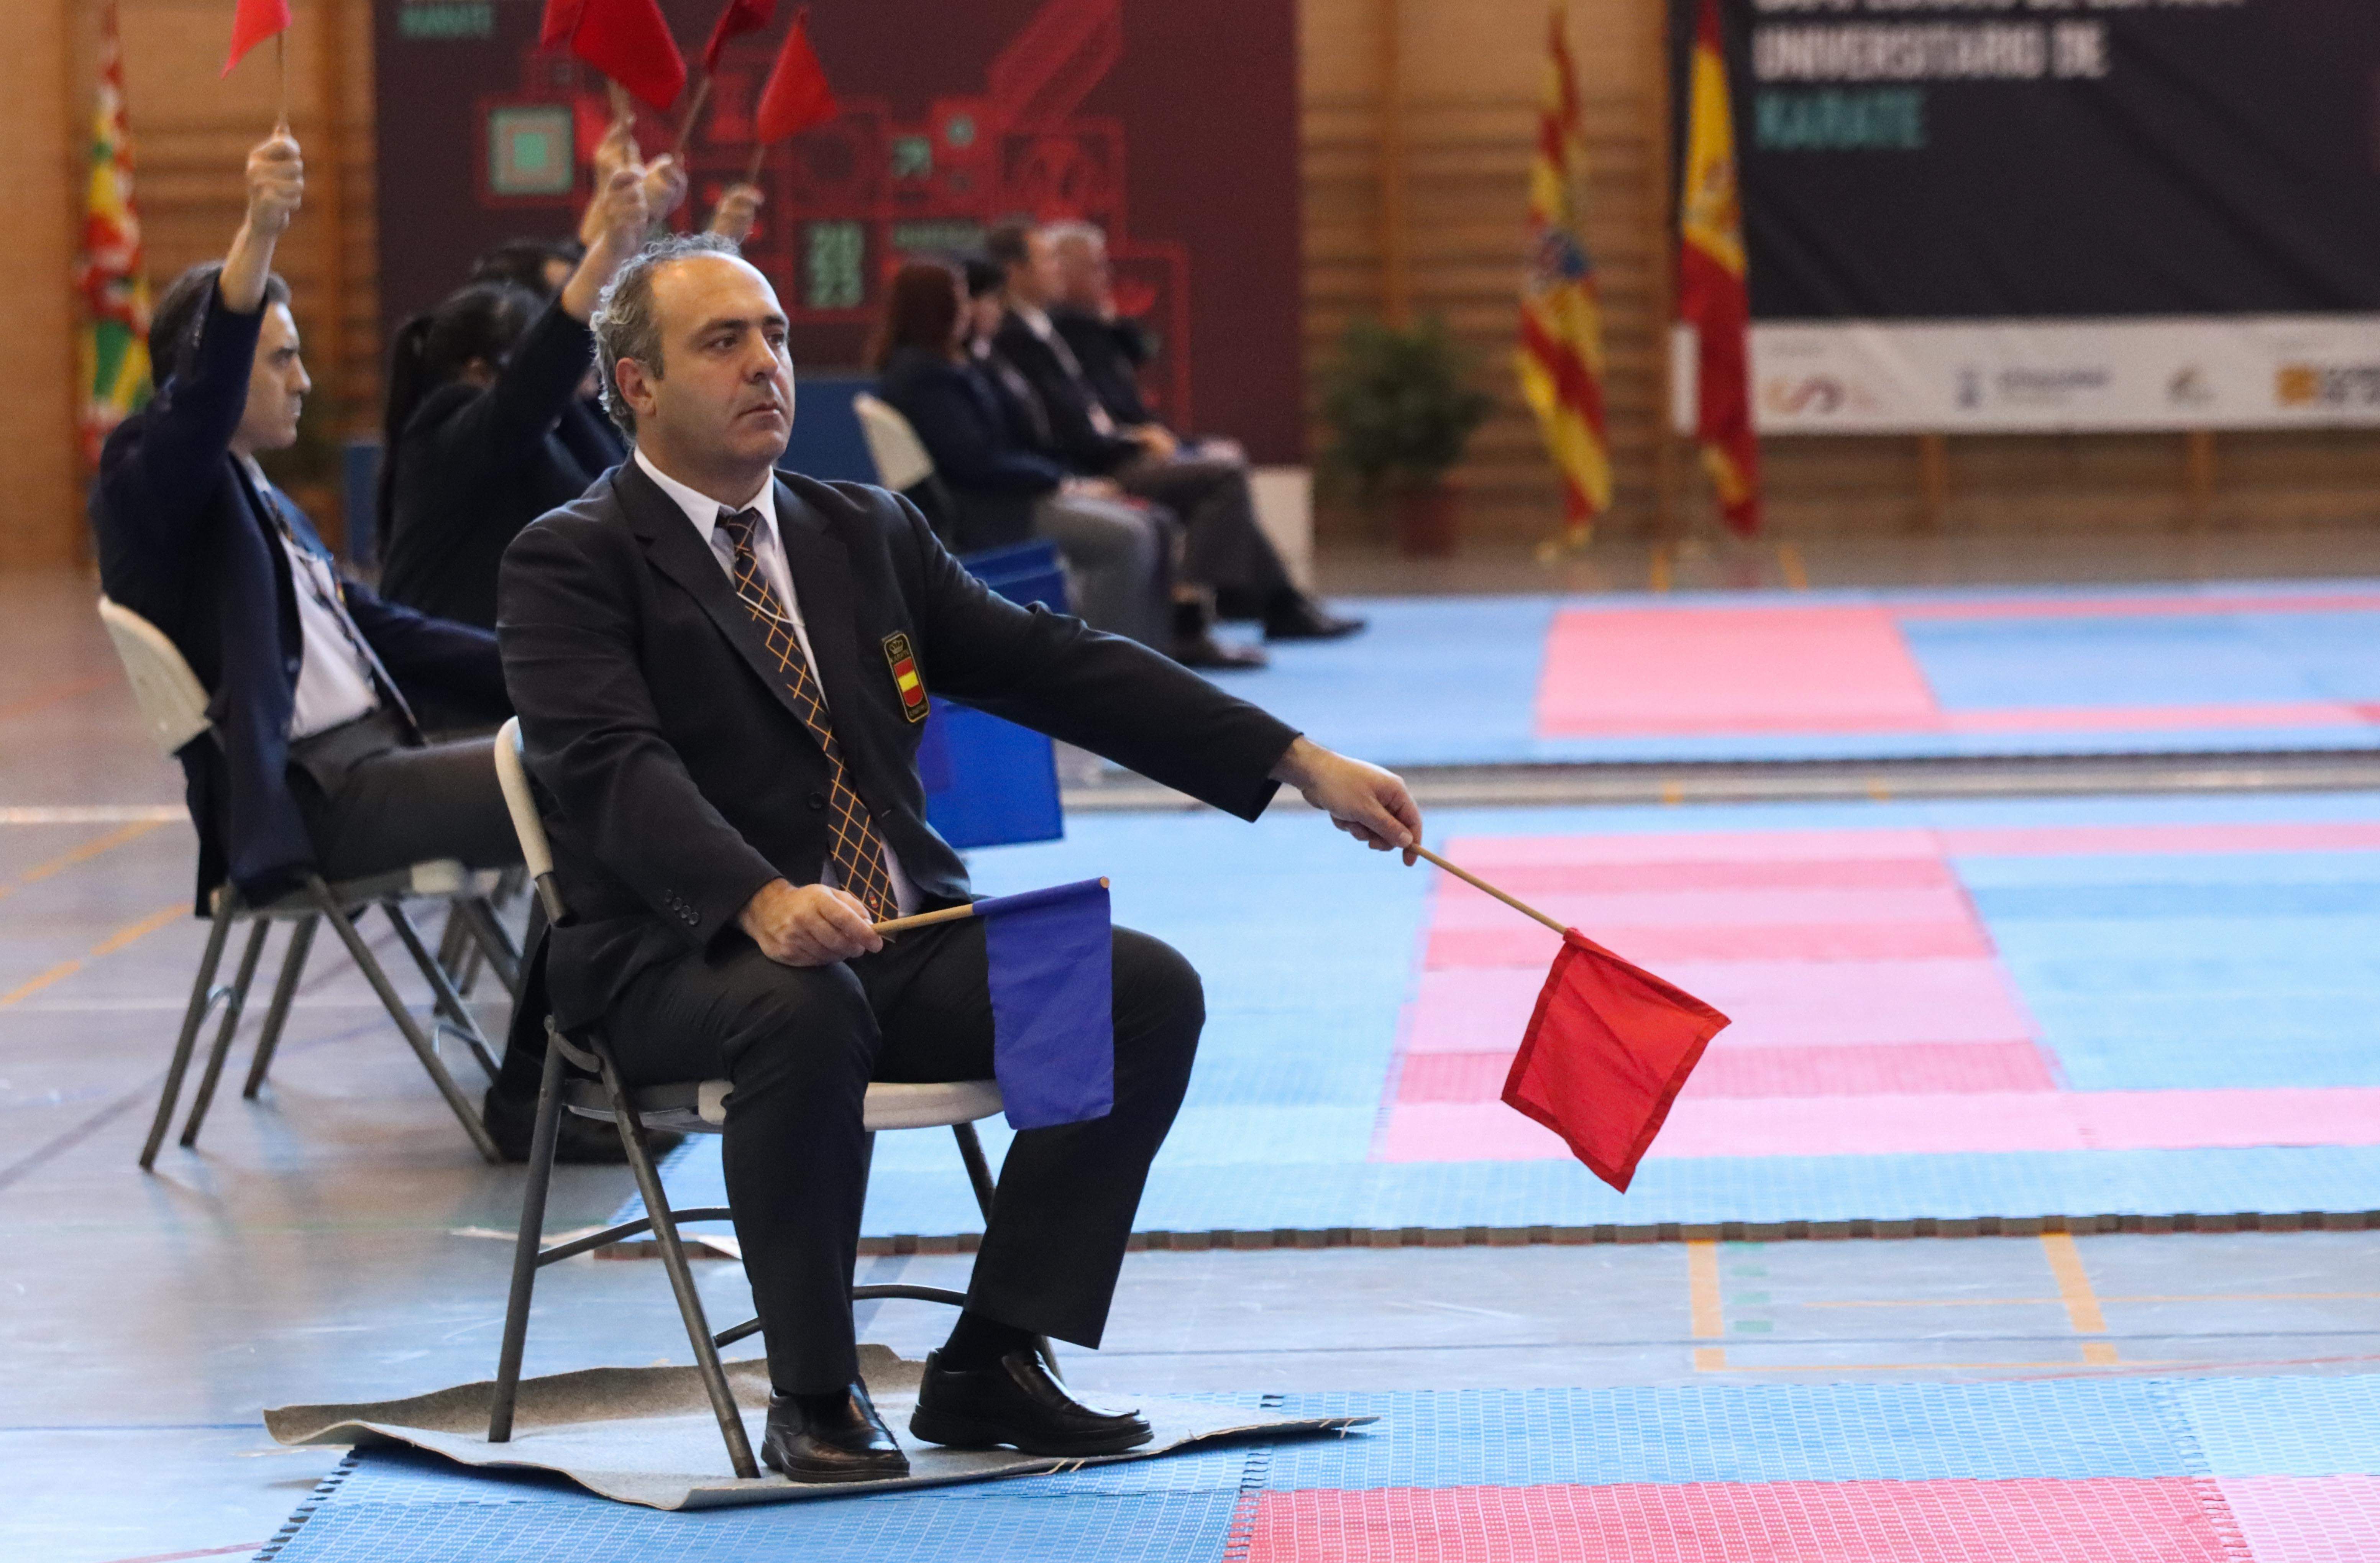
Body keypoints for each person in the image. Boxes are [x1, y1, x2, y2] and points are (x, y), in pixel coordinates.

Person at [496, 235, 1424, 1482]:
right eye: (722, 341)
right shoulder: (571, 557)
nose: (765, 362)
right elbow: (611, 770)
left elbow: (1059, 664)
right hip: (681, 955)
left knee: (1136, 989)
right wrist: (759, 896)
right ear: (636, 385)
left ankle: (988, 1358)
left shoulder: (859, 530)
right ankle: (813, 1391)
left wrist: (1298, 759)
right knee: (800, 1005)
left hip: (894, 933)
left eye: (772, 333)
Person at [89, 131, 520, 929]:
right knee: (593, 778)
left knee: (604, 747)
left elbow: (387, 630)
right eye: (282, 359)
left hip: (379, 761)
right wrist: (258, 231)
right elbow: (201, 399)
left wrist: (546, 666)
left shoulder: (262, 500)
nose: (306, 381)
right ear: (209, 368)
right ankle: (585, 1040)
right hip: (320, 801)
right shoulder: (149, 480)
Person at [983, 223, 1364, 643]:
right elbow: (1067, 430)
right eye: (1049, 261)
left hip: (1111, 451)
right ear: (1016, 270)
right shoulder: (1019, 336)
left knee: (1220, 472)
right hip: (1096, 463)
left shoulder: (1044, 329)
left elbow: (1105, 395)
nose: (1057, 270)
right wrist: (1123, 446)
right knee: (1221, 477)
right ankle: (1195, 610)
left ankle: (1270, 603)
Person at [874, 260, 1255, 668]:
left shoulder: (957, 365)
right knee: (1127, 537)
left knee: (1154, 523)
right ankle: (1106, 670)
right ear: (935, 308)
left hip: (1015, 494)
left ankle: (1156, 663)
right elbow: (977, 463)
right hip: (993, 510)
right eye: (962, 300)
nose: (970, 310)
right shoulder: (923, 377)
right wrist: (1064, 483)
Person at [376, 162, 650, 629]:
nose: (587, 360)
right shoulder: (445, 427)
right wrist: (611, 249)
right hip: (456, 695)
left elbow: (623, 484)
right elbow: (535, 384)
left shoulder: (553, 429)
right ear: (479, 372)